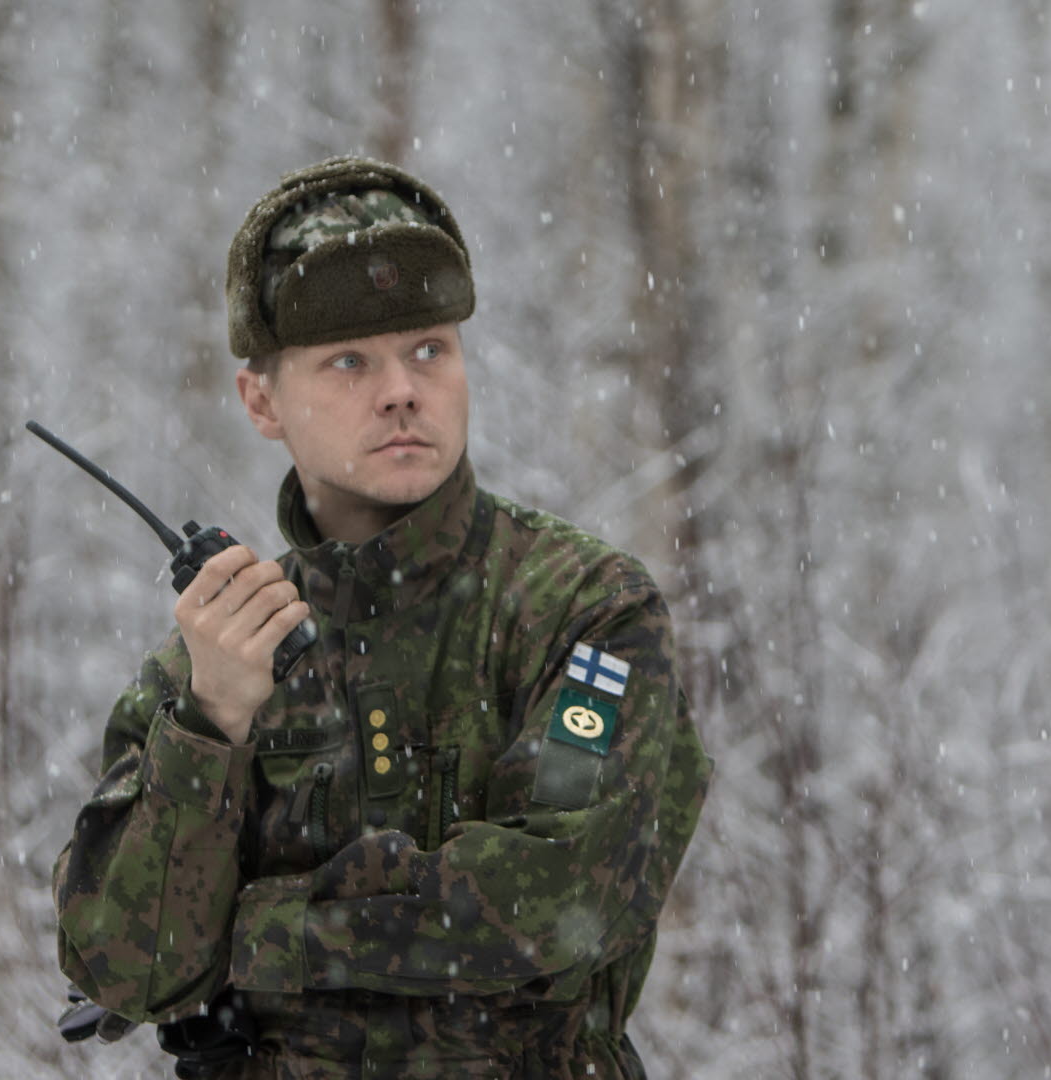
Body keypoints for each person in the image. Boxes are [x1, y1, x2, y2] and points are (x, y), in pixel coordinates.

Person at [52, 155, 713, 1079]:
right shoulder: (211, 661)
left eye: (430, 350)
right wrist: (212, 726)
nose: (402, 389)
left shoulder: (582, 612)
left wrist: (259, 931)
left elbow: (561, 900)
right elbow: (125, 967)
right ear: (261, 400)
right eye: (350, 361)